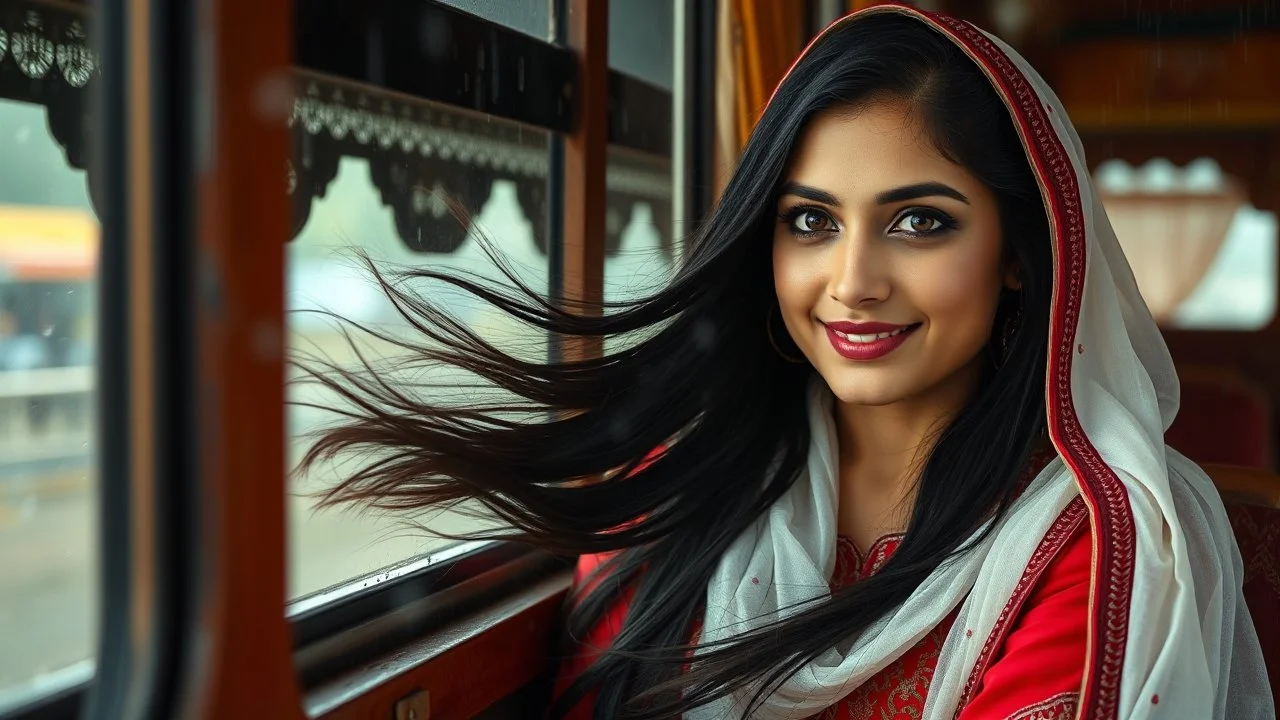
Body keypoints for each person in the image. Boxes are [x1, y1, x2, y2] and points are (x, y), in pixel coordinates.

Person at [298, 4, 1274, 719]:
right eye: (810, 221)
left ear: (1018, 256)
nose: (851, 281)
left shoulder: (1089, 546)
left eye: (917, 223)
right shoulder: (678, 485)